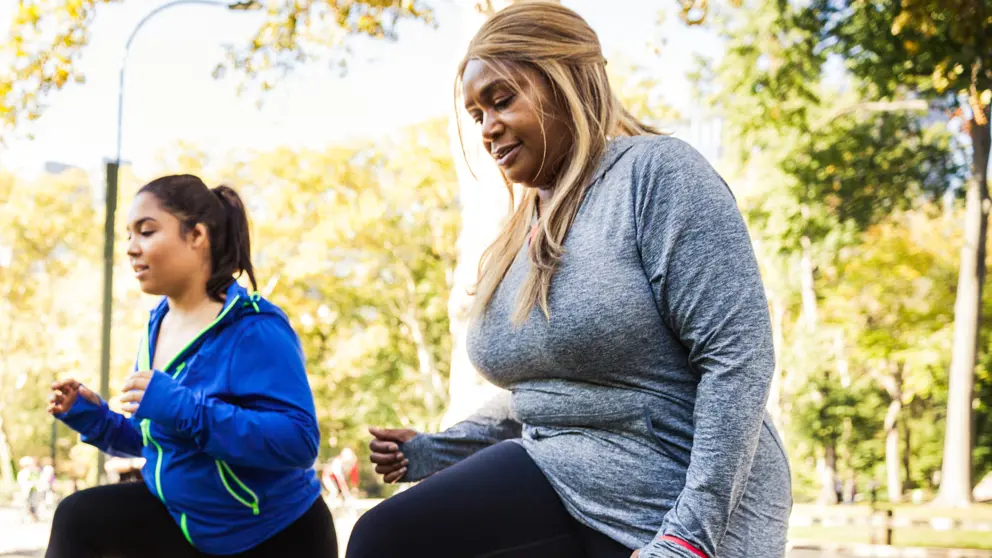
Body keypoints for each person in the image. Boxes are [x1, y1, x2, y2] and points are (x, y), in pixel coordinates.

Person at [348, 3, 792, 558]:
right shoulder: (519, 230)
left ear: (564, 82)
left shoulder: (656, 176)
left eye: (502, 100)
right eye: (476, 114)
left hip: (675, 506)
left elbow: (738, 360)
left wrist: (687, 541)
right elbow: (537, 397)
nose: (487, 128)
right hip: (563, 480)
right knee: (388, 539)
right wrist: (437, 450)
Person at [45, 175, 336, 558]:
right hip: (189, 525)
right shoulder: (157, 324)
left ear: (197, 236)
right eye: (128, 236)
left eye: (146, 232)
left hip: (271, 536)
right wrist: (94, 419)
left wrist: (186, 409)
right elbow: (161, 443)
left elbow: (299, 442)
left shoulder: (254, 327)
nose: (131, 248)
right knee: (79, 516)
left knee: (79, 516)